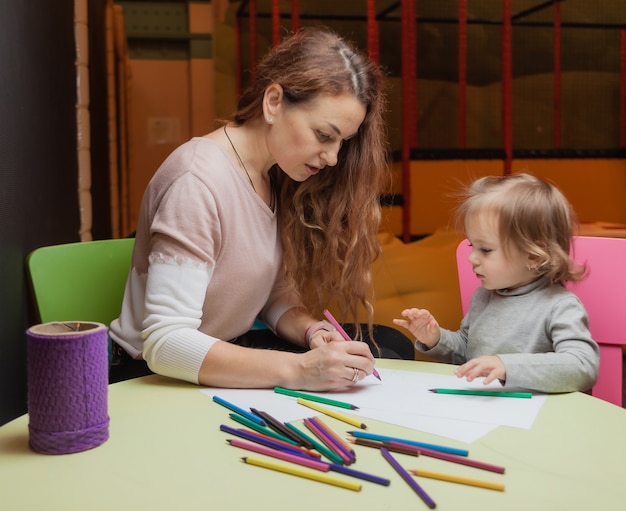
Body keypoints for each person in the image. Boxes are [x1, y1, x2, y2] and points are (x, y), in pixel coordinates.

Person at [109, 27, 413, 390]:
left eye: (342, 143)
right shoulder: (196, 180)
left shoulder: (273, 176)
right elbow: (166, 343)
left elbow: (273, 295)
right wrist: (302, 370)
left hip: (224, 348)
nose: (333, 158)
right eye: (323, 135)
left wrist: (311, 332)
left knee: (389, 347)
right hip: (154, 371)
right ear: (273, 103)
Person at [393, 173, 599, 393]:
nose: (472, 258)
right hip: (486, 408)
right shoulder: (483, 296)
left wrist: (506, 366)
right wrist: (436, 338)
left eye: (486, 250)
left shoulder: (559, 306)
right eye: (472, 246)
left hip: (536, 417)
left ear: (533, 256)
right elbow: (467, 351)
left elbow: (582, 365)